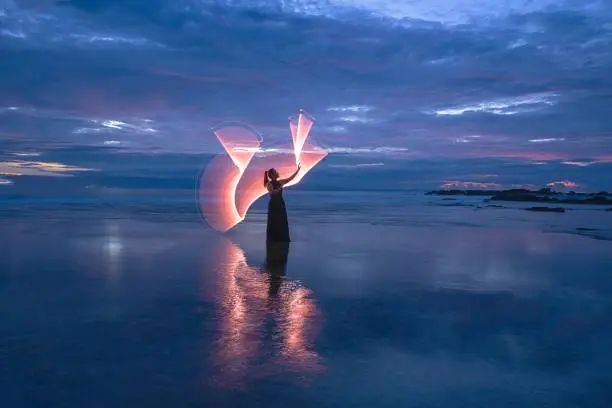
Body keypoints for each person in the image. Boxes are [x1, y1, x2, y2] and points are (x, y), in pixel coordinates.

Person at [263, 164, 301, 243]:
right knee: (274, 220)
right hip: (274, 204)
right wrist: (280, 187)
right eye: (276, 172)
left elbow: (290, 179)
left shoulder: (280, 181)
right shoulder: (269, 184)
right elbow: (273, 193)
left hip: (280, 203)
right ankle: (274, 239)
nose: (277, 172)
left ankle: (281, 239)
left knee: (281, 220)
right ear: (273, 175)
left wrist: (298, 170)